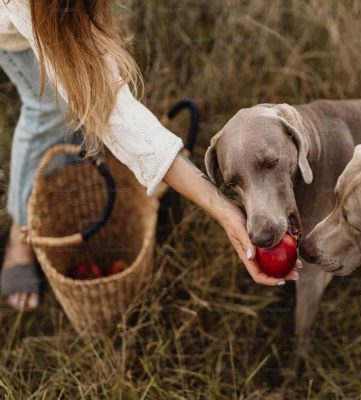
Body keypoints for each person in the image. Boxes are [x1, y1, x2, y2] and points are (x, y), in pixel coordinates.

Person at [0, 0, 300, 311]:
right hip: (14, 25)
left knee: (73, 104)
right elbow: (114, 111)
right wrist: (223, 210)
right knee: (47, 110)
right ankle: (21, 236)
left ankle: (69, 164)